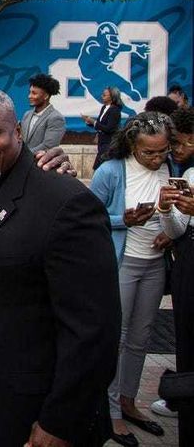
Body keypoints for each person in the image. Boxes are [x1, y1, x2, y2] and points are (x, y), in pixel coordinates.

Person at [0, 88, 120, 447]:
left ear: (18, 133)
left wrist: (61, 421)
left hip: (33, 409)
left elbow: (94, 330)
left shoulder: (67, 203)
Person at [90, 112, 186, 445]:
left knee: (141, 339)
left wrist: (170, 234)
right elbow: (87, 216)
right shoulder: (112, 171)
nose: (157, 158)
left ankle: (129, 401)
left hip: (156, 264)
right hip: (123, 264)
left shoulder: (170, 169)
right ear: (133, 144)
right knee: (118, 337)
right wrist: (123, 219)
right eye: (149, 152)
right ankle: (112, 412)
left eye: (163, 151)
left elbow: (172, 214)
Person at [153, 107, 194, 439]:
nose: (174, 151)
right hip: (187, 269)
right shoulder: (190, 174)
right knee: (186, 340)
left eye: (179, 143)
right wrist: (167, 209)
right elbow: (178, 230)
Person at [20, 73, 66, 152]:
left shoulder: (56, 118)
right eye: (30, 92)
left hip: (41, 163)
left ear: (46, 96)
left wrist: (23, 156)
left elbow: (48, 146)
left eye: (34, 93)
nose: (29, 96)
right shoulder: (27, 115)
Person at [83, 85, 124, 171]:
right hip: (101, 143)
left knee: (98, 168)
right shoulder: (104, 108)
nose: (102, 96)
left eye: (104, 95)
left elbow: (109, 128)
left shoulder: (115, 110)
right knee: (100, 168)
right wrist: (89, 122)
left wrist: (93, 122)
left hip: (108, 144)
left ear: (112, 97)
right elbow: (100, 125)